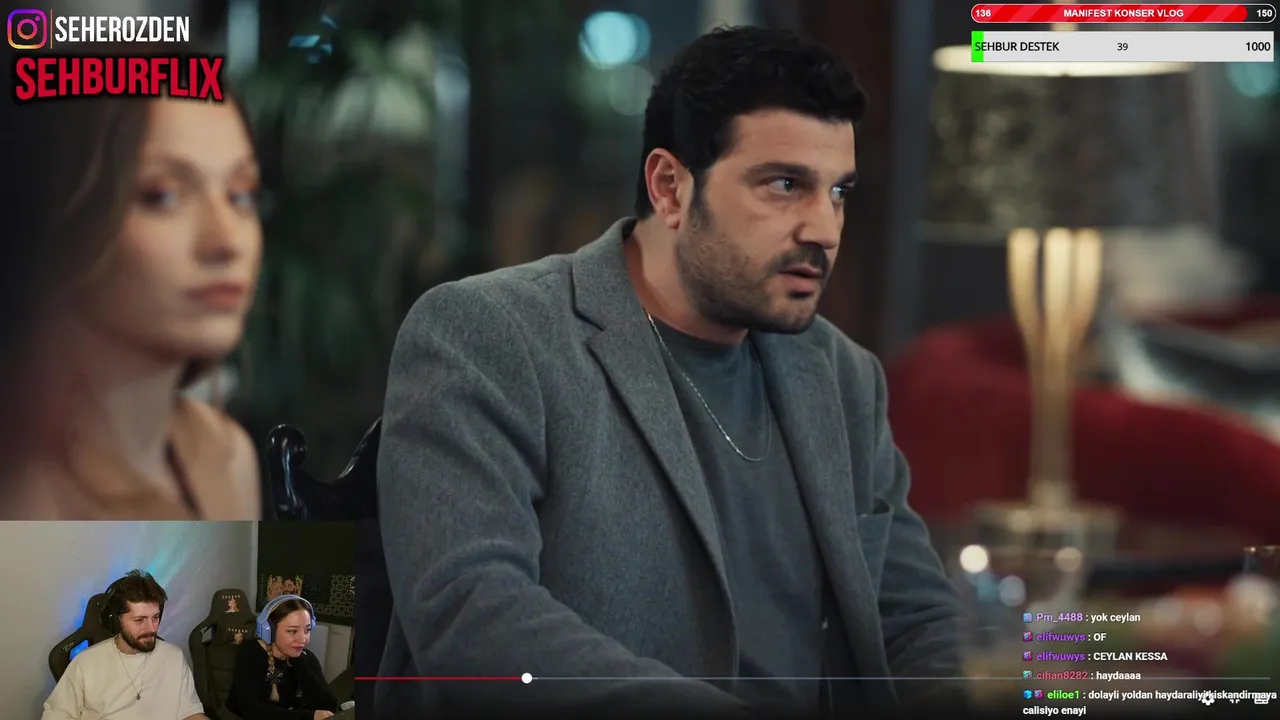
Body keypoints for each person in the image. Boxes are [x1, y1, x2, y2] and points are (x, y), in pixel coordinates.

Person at [376, 26, 964, 719]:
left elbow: (916, 622)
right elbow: (472, 620)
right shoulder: (492, 334)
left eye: (838, 191)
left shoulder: (843, 377)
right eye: (785, 185)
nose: (825, 229)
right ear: (670, 188)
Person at [0, 45, 263, 519]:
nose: (226, 241)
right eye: (162, 196)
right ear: (58, 214)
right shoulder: (21, 493)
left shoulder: (229, 458)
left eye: (241, 195)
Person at [42, 570, 206, 720]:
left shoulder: (174, 657)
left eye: (155, 617)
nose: (151, 628)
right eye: (139, 620)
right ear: (116, 620)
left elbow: (190, 713)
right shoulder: (85, 664)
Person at [226, 595, 340, 720]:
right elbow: (252, 711)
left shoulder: (304, 657)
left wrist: (299, 663)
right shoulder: (249, 654)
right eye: (293, 631)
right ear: (270, 630)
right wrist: (308, 716)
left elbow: (328, 707)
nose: (303, 639)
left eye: (307, 630)